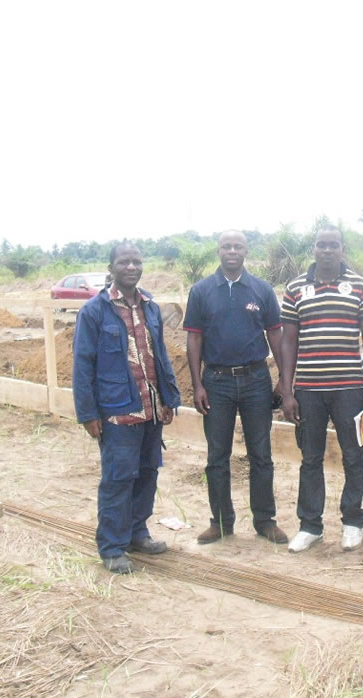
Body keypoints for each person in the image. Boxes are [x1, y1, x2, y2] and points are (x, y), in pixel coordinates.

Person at [73, 242, 182, 574]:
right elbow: (82, 365)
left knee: (147, 474)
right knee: (119, 479)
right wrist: (88, 414)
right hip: (118, 411)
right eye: (124, 262)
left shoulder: (150, 306)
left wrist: (169, 398)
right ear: (112, 267)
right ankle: (111, 546)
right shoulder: (94, 311)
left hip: (151, 409)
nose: (131, 267)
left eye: (136, 261)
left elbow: (159, 355)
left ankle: (137, 533)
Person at [184, 230, 289, 546]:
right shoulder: (202, 291)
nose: (232, 250)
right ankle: (220, 522)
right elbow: (194, 338)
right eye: (226, 246)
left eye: (238, 246)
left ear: (246, 251)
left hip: (256, 380)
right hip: (216, 383)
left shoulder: (262, 290)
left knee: (261, 455)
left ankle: (265, 521)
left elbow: (275, 335)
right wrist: (197, 383)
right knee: (217, 456)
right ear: (218, 250)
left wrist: (284, 379)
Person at [280, 226, 363, 553]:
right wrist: (287, 390)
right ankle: (311, 526)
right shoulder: (295, 288)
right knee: (310, 459)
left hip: (352, 388)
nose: (326, 250)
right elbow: (289, 341)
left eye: (333, 245)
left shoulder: (361, 287)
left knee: (354, 455)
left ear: (342, 249)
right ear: (313, 249)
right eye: (321, 245)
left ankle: (352, 522)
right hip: (308, 390)